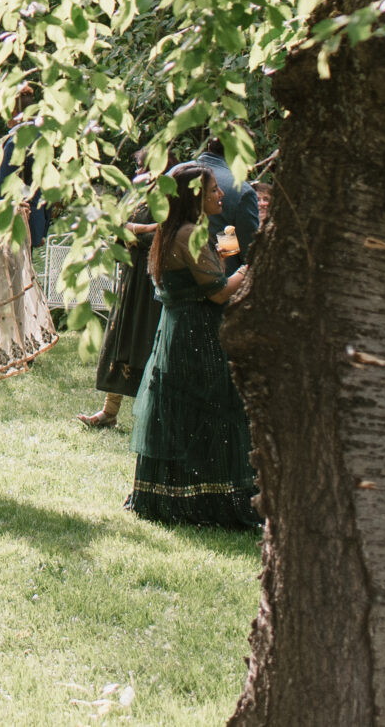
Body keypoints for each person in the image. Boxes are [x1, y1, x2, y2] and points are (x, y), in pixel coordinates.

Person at [128, 163, 260, 527]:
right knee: (210, 410)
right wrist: (244, 271)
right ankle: (209, 498)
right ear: (194, 197)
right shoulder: (189, 234)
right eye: (214, 189)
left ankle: (171, 492)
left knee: (182, 414)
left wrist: (223, 258)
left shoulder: (179, 231)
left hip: (178, 331)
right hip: (196, 335)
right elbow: (218, 294)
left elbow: (200, 276)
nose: (220, 194)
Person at [81, 160, 162, 430]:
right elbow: (116, 231)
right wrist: (138, 231)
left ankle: (151, 414)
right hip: (131, 277)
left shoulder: (166, 196)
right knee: (121, 339)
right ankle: (109, 412)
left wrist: (136, 232)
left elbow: (165, 235)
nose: (140, 172)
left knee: (145, 342)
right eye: (138, 167)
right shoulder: (134, 197)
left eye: (144, 167)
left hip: (151, 280)